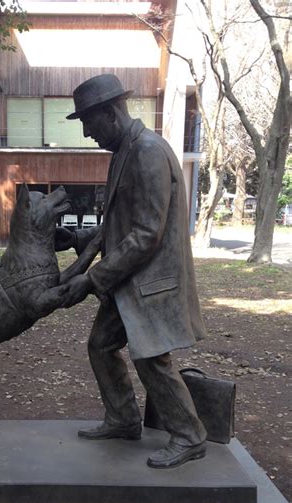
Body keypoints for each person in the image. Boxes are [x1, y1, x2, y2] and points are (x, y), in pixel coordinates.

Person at [56, 74, 207, 468]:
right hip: (128, 281)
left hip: (150, 282)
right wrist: (77, 238)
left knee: (150, 359)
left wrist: (91, 279)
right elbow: (117, 223)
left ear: (109, 113)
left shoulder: (148, 152)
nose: (88, 133)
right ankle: (123, 419)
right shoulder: (125, 150)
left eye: (89, 124)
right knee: (101, 345)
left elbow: (145, 235)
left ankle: (190, 435)